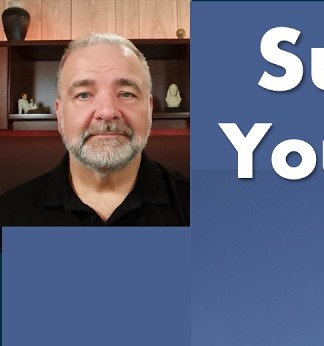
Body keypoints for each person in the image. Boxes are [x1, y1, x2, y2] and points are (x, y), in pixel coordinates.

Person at [0, 33, 189, 226]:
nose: (107, 112)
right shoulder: (8, 215)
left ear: (149, 109)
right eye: (83, 95)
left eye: (126, 94)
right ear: (60, 114)